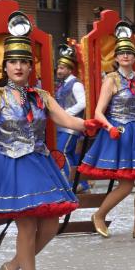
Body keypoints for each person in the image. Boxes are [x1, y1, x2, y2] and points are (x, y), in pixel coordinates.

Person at [0, 34, 101, 270]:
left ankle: (12, 266)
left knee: (50, 226)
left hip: (39, 164)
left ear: (30, 66)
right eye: (12, 61)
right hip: (11, 167)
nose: (18, 67)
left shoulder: (42, 97)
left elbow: (67, 119)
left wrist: (89, 125)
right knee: (26, 227)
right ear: (4, 67)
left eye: (24, 61)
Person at [78, 22, 135, 240]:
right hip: (120, 133)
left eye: (129, 53)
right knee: (126, 184)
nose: (126, 56)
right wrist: (109, 127)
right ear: (115, 57)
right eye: (122, 53)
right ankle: (99, 215)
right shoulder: (111, 79)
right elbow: (98, 112)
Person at [54, 43, 89, 191]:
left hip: (71, 126)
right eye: (58, 68)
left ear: (69, 69)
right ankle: (82, 184)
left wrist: (66, 113)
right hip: (63, 125)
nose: (59, 71)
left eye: (62, 68)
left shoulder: (76, 84)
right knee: (71, 155)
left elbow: (83, 103)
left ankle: (69, 184)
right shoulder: (62, 84)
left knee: (63, 152)